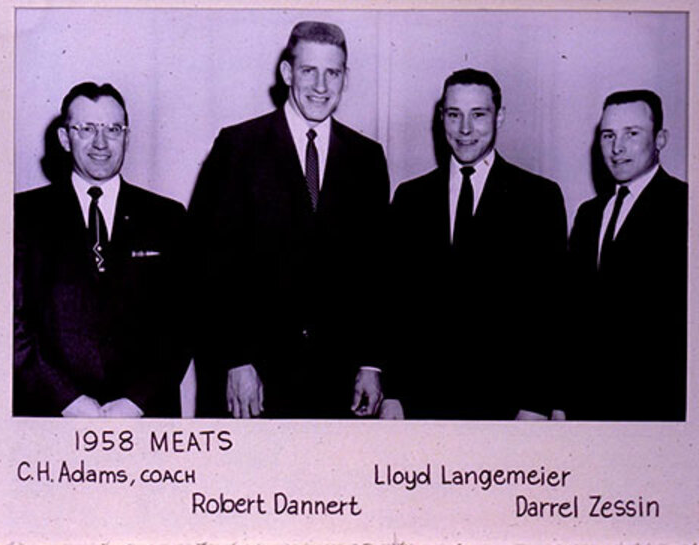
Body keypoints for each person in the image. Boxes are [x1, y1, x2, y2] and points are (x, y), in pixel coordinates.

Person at [188, 21, 390, 418]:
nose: (320, 85)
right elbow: (204, 266)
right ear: (286, 73)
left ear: (345, 78)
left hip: (338, 388)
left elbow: (377, 271)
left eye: (332, 73)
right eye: (308, 71)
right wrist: (235, 359)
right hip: (252, 385)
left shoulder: (367, 157)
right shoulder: (237, 147)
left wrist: (372, 363)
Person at [389, 68, 567, 420]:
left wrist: (535, 404)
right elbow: (395, 301)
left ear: (499, 116)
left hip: (506, 407)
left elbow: (552, 308)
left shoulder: (539, 198)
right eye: (454, 115)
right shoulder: (410, 197)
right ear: (441, 118)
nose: (465, 129)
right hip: (423, 405)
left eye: (478, 115)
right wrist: (393, 394)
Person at [14, 82, 189, 417]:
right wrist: (67, 401)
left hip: (144, 417)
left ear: (127, 136)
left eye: (112, 129)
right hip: (51, 416)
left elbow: (182, 320)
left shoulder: (167, 217)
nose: (100, 142)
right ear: (65, 139)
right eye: (87, 129)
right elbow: (12, 323)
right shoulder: (22, 215)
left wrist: (135, 402)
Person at [567, 90, 687, 421]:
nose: (617, 148)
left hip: (654, 408)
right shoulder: (589, 214)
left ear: (661, 138)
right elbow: (572, 315)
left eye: (632, 134)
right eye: (608, 135)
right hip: (586, 407)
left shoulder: (685, 206)